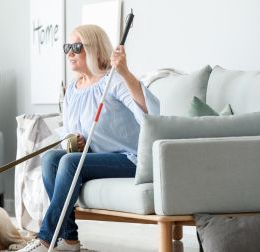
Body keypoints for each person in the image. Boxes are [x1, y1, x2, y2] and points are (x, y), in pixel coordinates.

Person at [17, 25, 160, 252]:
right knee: (51, 158)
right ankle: (70, 239)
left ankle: (46, 238)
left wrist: (125, 72)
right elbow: (67, 130)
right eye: (67, 47)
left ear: (94, 49)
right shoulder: (73, 89)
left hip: (130, 159)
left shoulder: (113, 80)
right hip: (93, 158)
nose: (69, 53)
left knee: (70, 162)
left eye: (76, 47)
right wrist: (73, 140)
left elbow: (149, 113)